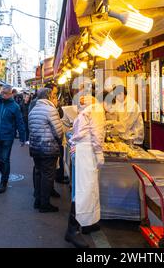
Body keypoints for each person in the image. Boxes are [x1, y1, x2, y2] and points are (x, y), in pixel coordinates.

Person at [65, 92, 106, 248]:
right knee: (85, 190)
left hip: (82, 151)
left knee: (86, 189)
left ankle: (89, 222)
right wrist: (99, 153)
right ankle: (72, 230)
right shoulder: (97, 110)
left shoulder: (85, 111)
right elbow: (97, 133)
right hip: (87, 152)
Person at [0, 85, 26, 194]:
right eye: (2, 92)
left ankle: (3, 182)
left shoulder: (15, 106)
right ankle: (6, 175)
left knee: (4, 159)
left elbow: (20, 122)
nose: (3, 95)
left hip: (7, 136)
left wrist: (22, 137)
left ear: (11, 94)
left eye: (5, 93)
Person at [28, 88, 63, 213]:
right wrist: (59, 143)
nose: (55, 98)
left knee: (38, 173)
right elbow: (58, 132)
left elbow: (30, 130)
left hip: (35, 148)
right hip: (48, 148)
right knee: (47, 176)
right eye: (54, 95)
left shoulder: (33, 110)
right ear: (49, 97)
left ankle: (38, 200)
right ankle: (45, 204)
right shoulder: (51, 110)